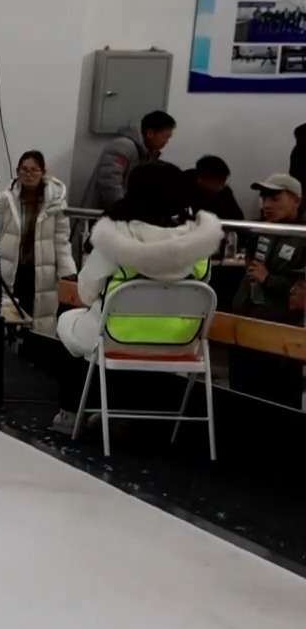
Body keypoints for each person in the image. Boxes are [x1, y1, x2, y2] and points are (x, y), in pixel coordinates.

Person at [55, 161, 222, 434]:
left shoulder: (115, 240)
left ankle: (72, 414)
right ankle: (133, 416)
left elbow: (86, 293)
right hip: (181, 342)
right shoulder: (199, 247)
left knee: (68, 323)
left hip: (116, 335)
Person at [0, 151, 75, 338]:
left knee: (40, 321)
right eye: (24, 169)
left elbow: (61, 239)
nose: (29, 174)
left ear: (43, 172)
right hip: (12, 268)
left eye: (34, 170)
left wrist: (68, 271)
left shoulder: (56, 203)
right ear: (17, 171)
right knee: (8, 317)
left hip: (42, 271)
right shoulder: (7, 200)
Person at [230, 174, 306, 320]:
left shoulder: (302, 236)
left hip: (282, 324)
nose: (266, 205)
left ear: (296, 201)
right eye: (263, 198)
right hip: (246, 314)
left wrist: (268, 279)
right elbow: (251, 266)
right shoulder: (259, 229)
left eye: (275, 199)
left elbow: (301, 292)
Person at [82, 110, 175, 210]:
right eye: (165, 137)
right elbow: (110, 181)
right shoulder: (124, 146)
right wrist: (122, 210)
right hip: (103, 212)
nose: (166, 142)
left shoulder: (147, 152)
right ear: (150, 133)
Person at [185, 155, 243, 220]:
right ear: (201, 179)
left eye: (224, 181)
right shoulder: (182, 187)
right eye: (217, 182)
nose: (221, 186)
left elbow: (238, 219)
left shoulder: (225, 192)